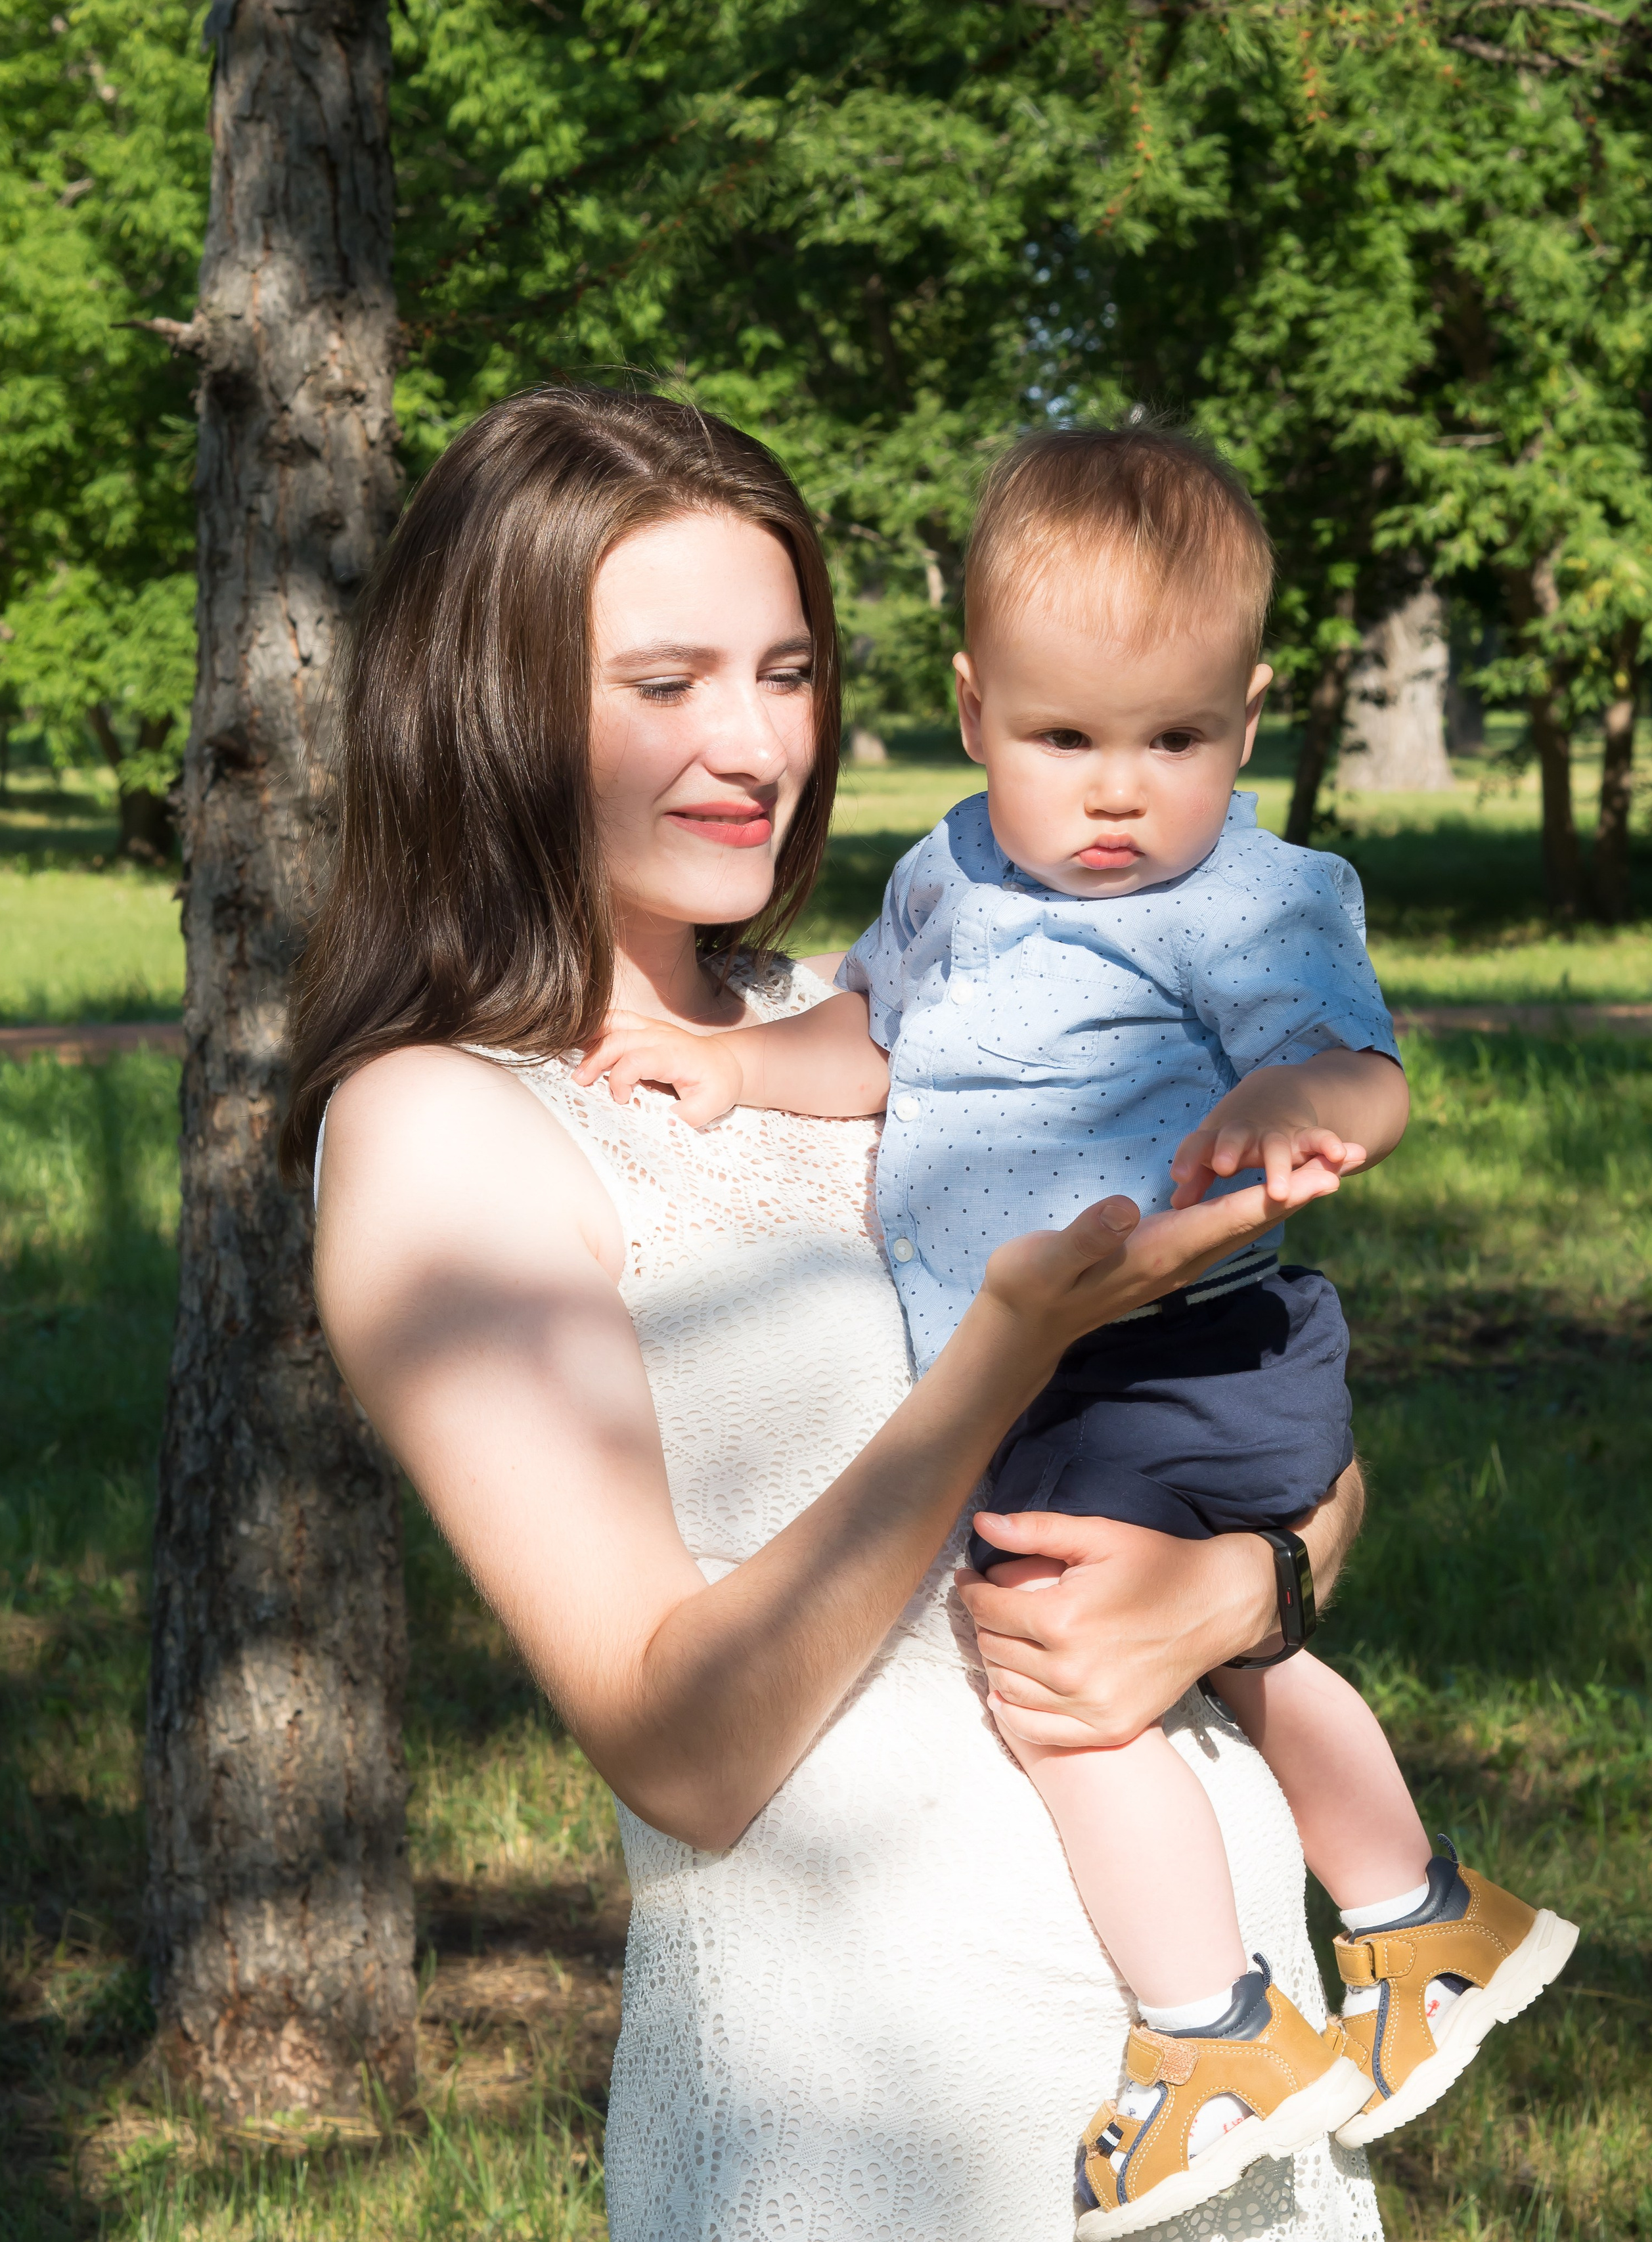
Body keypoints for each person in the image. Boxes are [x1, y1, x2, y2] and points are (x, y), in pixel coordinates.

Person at [284, 386, 1385, 2242]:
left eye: (785, 671)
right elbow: (681, 1746)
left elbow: (1283, 1436)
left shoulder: (903, 1020)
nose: (754, 745)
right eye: (667, 682)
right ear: (487, 707)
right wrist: (1004, 1355)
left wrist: (1242, 1589)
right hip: (871, 2125)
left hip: (1220, 2081)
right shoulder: (439, 1132)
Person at [578, 424, 1577, 2236]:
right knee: (1225, 1656)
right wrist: (735, 1066)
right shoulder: (952, 879)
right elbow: (879, 1046)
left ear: (1250, 718)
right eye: (1065, 740)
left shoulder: (1245, 897)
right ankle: (1426, 1910)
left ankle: (1214, 2024)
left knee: (1061, 1685)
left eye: (1175, 740)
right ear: (973, 710)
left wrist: (1307, 1108)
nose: (1118, 793)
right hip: (1069, 1348)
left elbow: (1365, 1064)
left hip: (1170, 1335)